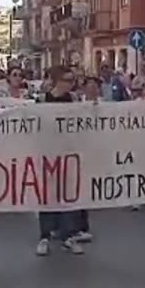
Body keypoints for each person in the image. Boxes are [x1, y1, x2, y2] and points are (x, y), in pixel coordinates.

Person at [34, 66, 88, 255]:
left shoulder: (73, 100)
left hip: (69, 154)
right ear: (57, 81)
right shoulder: (41, 100)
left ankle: (68, 236)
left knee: (68, 196)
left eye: (73, 80)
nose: (71, 84)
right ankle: (45, 236)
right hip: (47, 155)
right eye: (67, 80)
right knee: (48, 197)